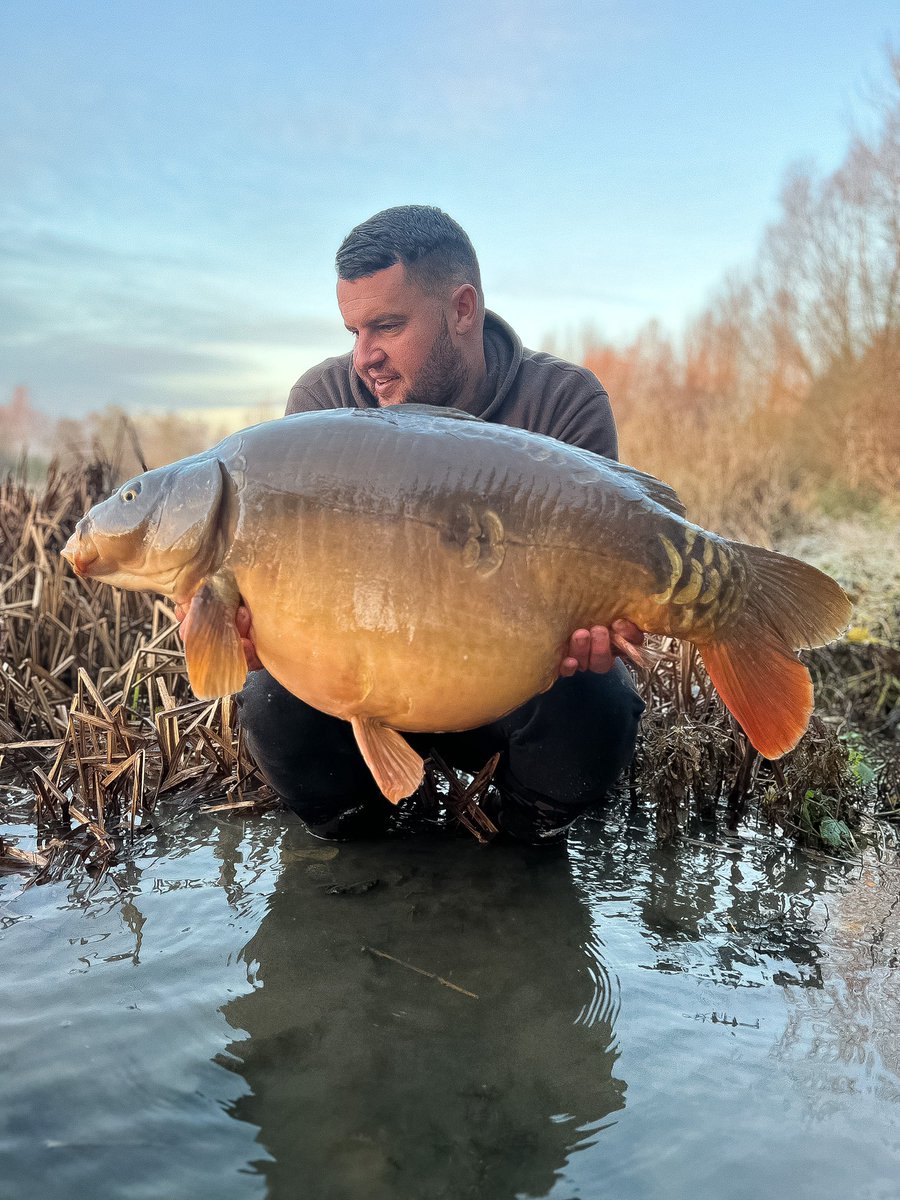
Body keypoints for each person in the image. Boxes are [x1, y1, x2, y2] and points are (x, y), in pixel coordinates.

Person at [199, 206, 645, 843]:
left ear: (462, 309)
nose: (364, 358)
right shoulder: (321, 409)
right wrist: (250, 632)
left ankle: (519, 840)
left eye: (386, 325)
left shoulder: (561, 404)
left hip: (508, 685)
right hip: (367, 688)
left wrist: (607, 623)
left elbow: (609, 581)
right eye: (353, 329)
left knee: (595, 701)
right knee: (273, 704)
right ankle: (360, 839)